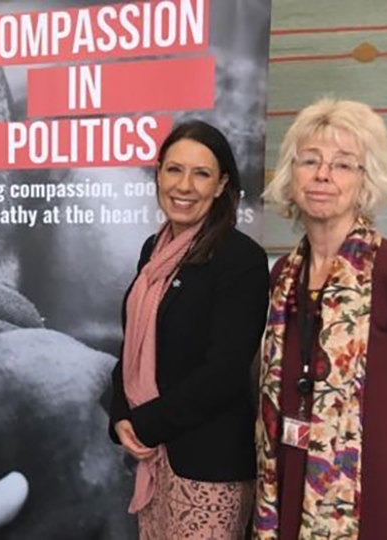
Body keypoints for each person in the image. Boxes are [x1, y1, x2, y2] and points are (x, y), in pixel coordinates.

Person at [255, 98, 387, 539]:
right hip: (291, 485)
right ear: (292, 176)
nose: (323, 174)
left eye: (344, 164)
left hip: (385, 500)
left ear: (366, 181)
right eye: (310, 160)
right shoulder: (283, 276)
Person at [108, 120, 269, 538]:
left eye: (201, 174)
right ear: (158, 172)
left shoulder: (240, 258)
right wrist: (121, 416)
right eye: (174, 169)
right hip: (155, 459)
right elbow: (134, 345)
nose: (185, 185)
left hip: (208, 468)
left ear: (221, 186)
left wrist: (145, 424)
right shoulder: (154, 249)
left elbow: (224, 373)